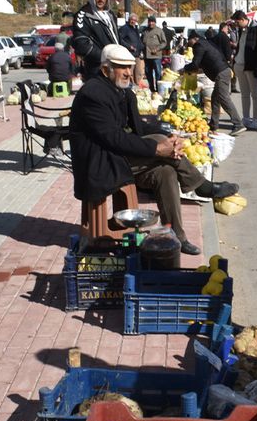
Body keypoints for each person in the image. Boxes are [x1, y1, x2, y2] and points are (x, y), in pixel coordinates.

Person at [70, 44, 240, 256]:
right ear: (106, 70)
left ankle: (177, 235)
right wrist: (157, 148)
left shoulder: (123, 92)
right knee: (160, 144)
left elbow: (138, 128)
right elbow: (112, 138)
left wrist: (169, 136)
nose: (127, 73)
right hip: (100, 162)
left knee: (165, 172)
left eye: (129, 67)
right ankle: (201, 186)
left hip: (120, 156)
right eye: (121, 68)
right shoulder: (93, 94)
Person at [183, 31, 245, 136]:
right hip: (223, 71)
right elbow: (205, 62)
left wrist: (185, 69)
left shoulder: (199, 45)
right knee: (215, 99)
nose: (188, 44)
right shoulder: (205, 43)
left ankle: (238, 124)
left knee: (223, 98)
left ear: (194, 39)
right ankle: (213, 125)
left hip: (221, 73)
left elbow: (195, 64)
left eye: (189, 41)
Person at [72, 0, 119, 79]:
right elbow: (81, 45)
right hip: (96, 69)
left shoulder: (111, 15)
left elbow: (116, 38)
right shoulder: (82, 15)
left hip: (114, 65)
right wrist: (104, 56)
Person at [231, 10, 257, 130]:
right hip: (239, 65)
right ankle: (246, 118)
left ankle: (256, 119)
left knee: (255, 94)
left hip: (250, 66)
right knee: (244, 94)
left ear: (243, 20)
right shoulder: (241, 29)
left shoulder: (255, 28)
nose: (236, 25)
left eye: (237, 22)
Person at [119, 13, 145, 85]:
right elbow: (120, 39)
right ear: (129, 20)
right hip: (129, 54)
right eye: (132, 20)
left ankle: (138, 86)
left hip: (137, 53)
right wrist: (129, 46)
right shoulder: (125, 28)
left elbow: (138, 40)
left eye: (135, 20)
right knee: (130, 72)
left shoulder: (135, 28)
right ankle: (129, 86)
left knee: (139, 72)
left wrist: (142, 47)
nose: (133, 21)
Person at [142, 16, 166, 92]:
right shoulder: (145, 31)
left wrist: (157, 49)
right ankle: (152, 89)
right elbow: (142, 41)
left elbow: (164, 42)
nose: (151, 23)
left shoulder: (159, 31)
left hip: (156, 56)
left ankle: (159, 89)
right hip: (147, 56)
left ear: (155, 22)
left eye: (152, 22)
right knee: (148, 73)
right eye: (149, 22)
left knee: (158, 73)